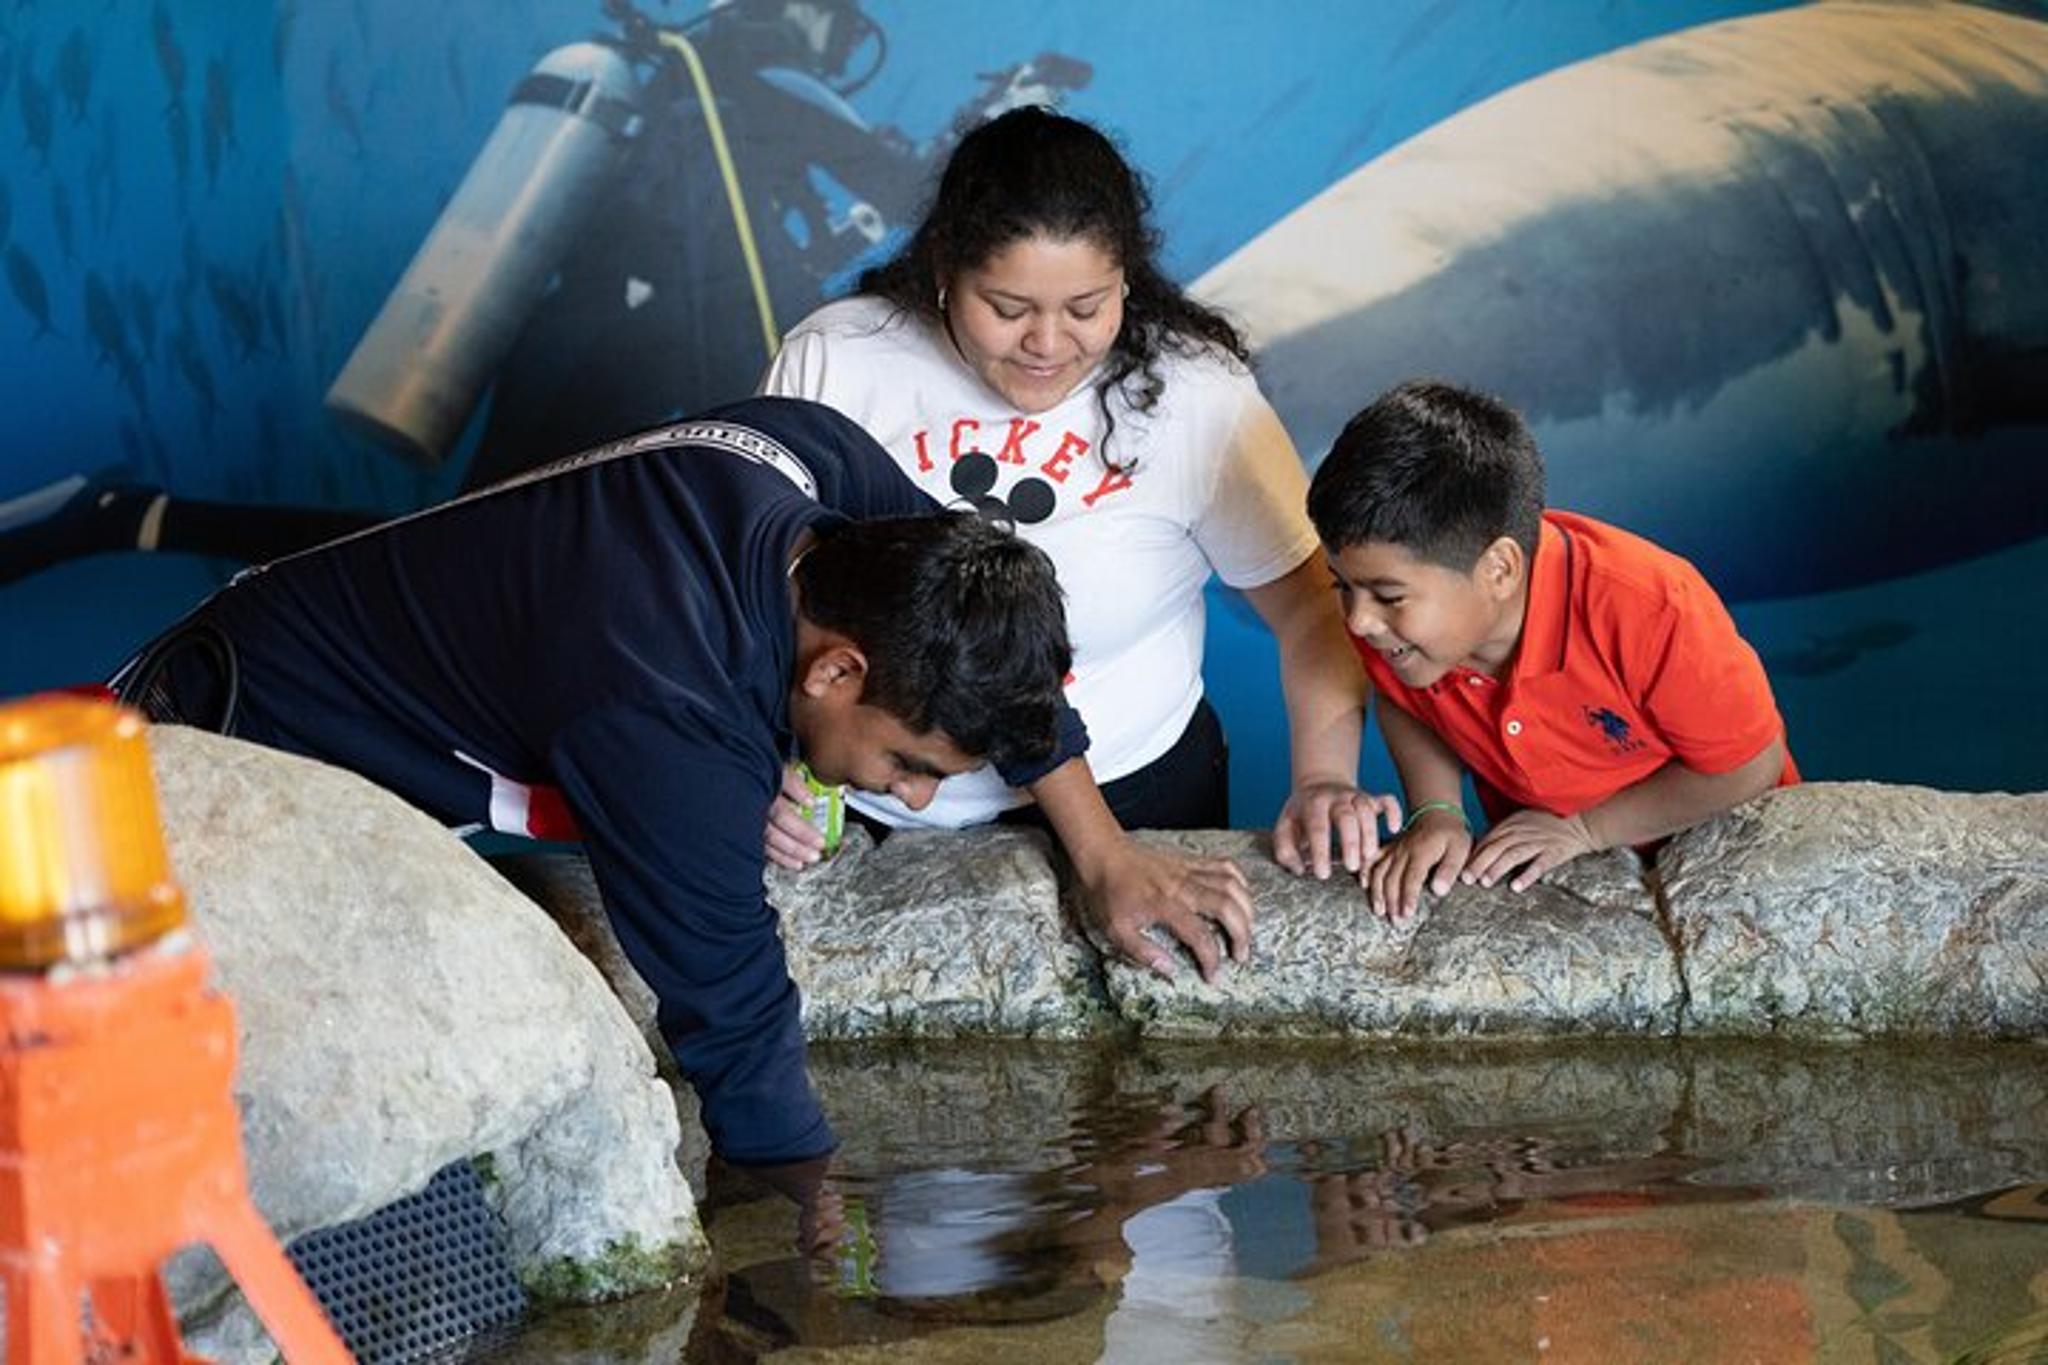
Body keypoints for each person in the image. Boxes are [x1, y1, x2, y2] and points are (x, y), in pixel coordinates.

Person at [111, 395, 1076, 1232]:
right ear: (835, 669)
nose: (913, 797)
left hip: (317, 648)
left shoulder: (809, 466)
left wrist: (1100, 849)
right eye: (909, 764)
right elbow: (733, 1014)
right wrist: (809, 1210)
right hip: (232, 756)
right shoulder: (671, 708)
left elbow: (982, 626)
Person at [759, 106, 1384, 980]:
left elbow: (1313, 606)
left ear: (1127, 281)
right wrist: (764, 770)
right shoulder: (839, 360)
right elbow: (761, 604)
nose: (1048, 346)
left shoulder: (1196, 394)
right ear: (944, 271)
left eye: (1085, 308)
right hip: (882, 801)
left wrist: (1323, 777)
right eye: (1007, 308)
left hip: (1140, 793)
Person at [1306, 379, 1799, 923]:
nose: (1359, 620)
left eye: (1389, 595)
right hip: (1560, 879)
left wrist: (1588, 830)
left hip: (1734, 864)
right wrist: (1438, 810)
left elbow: (1750, 766)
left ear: (1499, 569)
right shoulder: (1400, 637)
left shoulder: (1650, 608)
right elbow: (1402, 698)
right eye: (1342, 586)